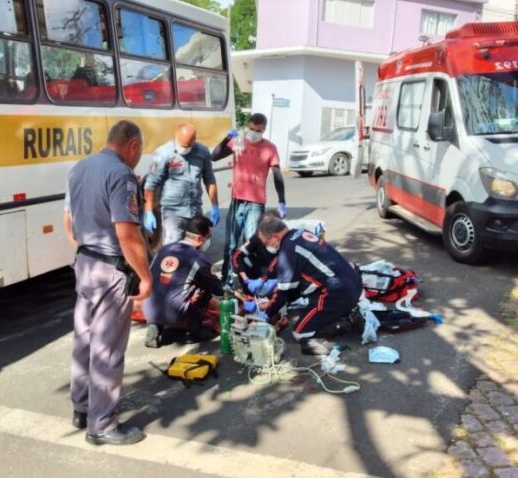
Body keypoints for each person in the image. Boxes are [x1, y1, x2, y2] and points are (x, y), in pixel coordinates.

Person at [63, 119, 152, 446]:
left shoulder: (79, 169)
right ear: (132, 146)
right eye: (139, 151)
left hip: (84, 264)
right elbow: (127, 235)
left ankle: (82, 408)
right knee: (108, 348)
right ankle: (101, 425)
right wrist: (145, 276)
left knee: (84, 341)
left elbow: (69, 220)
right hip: (111, 269)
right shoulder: (121, 174)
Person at [255, 213, 362, 356]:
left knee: (301, 333)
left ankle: (346, 323)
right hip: (353, 282)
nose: (266, 247)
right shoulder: (300, 233)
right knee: (304, 289)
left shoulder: (287, 251)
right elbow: (292, 285)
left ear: (274, 236)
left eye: (265, 243)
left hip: (339, 291)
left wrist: (267, 313)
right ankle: (343, 313)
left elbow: (283, 293)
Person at [213, 113, 286, 279]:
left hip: (256, 204)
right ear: (248, 126)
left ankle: (248, 280)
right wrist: (226, 139)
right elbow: (214, 156)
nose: (253, 133)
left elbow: (277, 175)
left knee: (250, 243)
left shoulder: (269, 148)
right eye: (251, 129)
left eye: (257, 130)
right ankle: (227, 279)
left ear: (264, 130)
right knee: (230, 243)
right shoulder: (239, 141)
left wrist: (282, 200)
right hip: (237, 201)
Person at [143, 215, 223, 348]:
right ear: (199, 238)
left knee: (163, 283)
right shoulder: (197, 258)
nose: (209, 241)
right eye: (208, 237)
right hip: (175, 314)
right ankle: (193, 333)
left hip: (149, 308)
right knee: (204, 288)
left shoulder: (163, 249)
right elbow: (217, 288)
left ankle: (155, 326)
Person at [143, 123, 220, 245]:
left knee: (196, 248)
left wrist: (215, 206)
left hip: (195, 211)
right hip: (173, 213)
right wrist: (148, 212)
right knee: (174, 249)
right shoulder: (163, 153)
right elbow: (151, 184)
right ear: (176, 136)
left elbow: (209, 180)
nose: (185, 149)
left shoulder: (203, 152)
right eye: (183, 145)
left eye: (189, 145)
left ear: (195, 139)